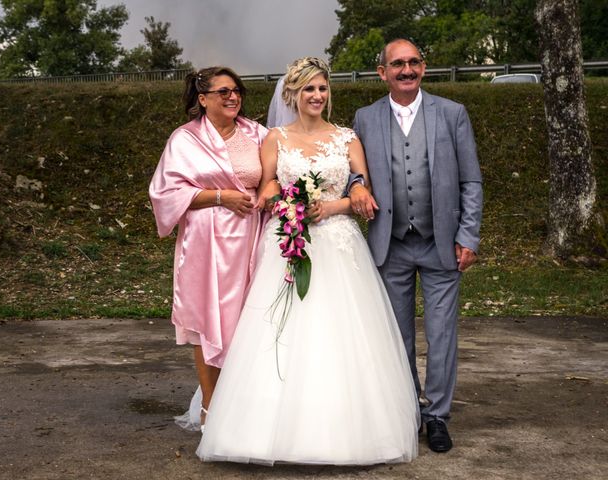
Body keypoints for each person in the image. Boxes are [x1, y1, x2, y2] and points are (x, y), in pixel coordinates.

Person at [196, 57, 419, 465]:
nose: (317, 96)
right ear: (292, 95)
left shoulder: (347, 137)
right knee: (277, 332)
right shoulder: (275, 138)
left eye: (322, 89)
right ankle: (260, 432)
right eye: (308, 90)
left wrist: (331, 207)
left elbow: (359, 188)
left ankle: (345, 432)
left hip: (338, 243)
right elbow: (269, 182)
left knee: (340, 332)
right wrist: (279, 198)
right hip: (287, 241)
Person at [350, 38, 483, 453]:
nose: (406, 70)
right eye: (397, 64)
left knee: (442, 334)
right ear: (382, 72)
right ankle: (407, 410)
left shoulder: (451, 113)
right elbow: (353, 170)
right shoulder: (365, 118)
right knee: (397, 337)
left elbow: (471, 180)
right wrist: (356, 186)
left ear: (423, 67)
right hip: (390, 243)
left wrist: (468, 234)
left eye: (413, 62)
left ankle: (437, 415)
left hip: (441, 242)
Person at [148, 66, 268, 431]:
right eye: (223, 92)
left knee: (251, 319)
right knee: (207, 320)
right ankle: (210, 406)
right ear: (203, 99)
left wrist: (266, 195)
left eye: (237, 90)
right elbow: (164, 192)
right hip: (206, 241)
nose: (233, 97)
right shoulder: (184, 139)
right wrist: (220, 196)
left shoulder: (258, 134)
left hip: (251, 236)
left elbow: (276, 175)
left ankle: (248, 402)